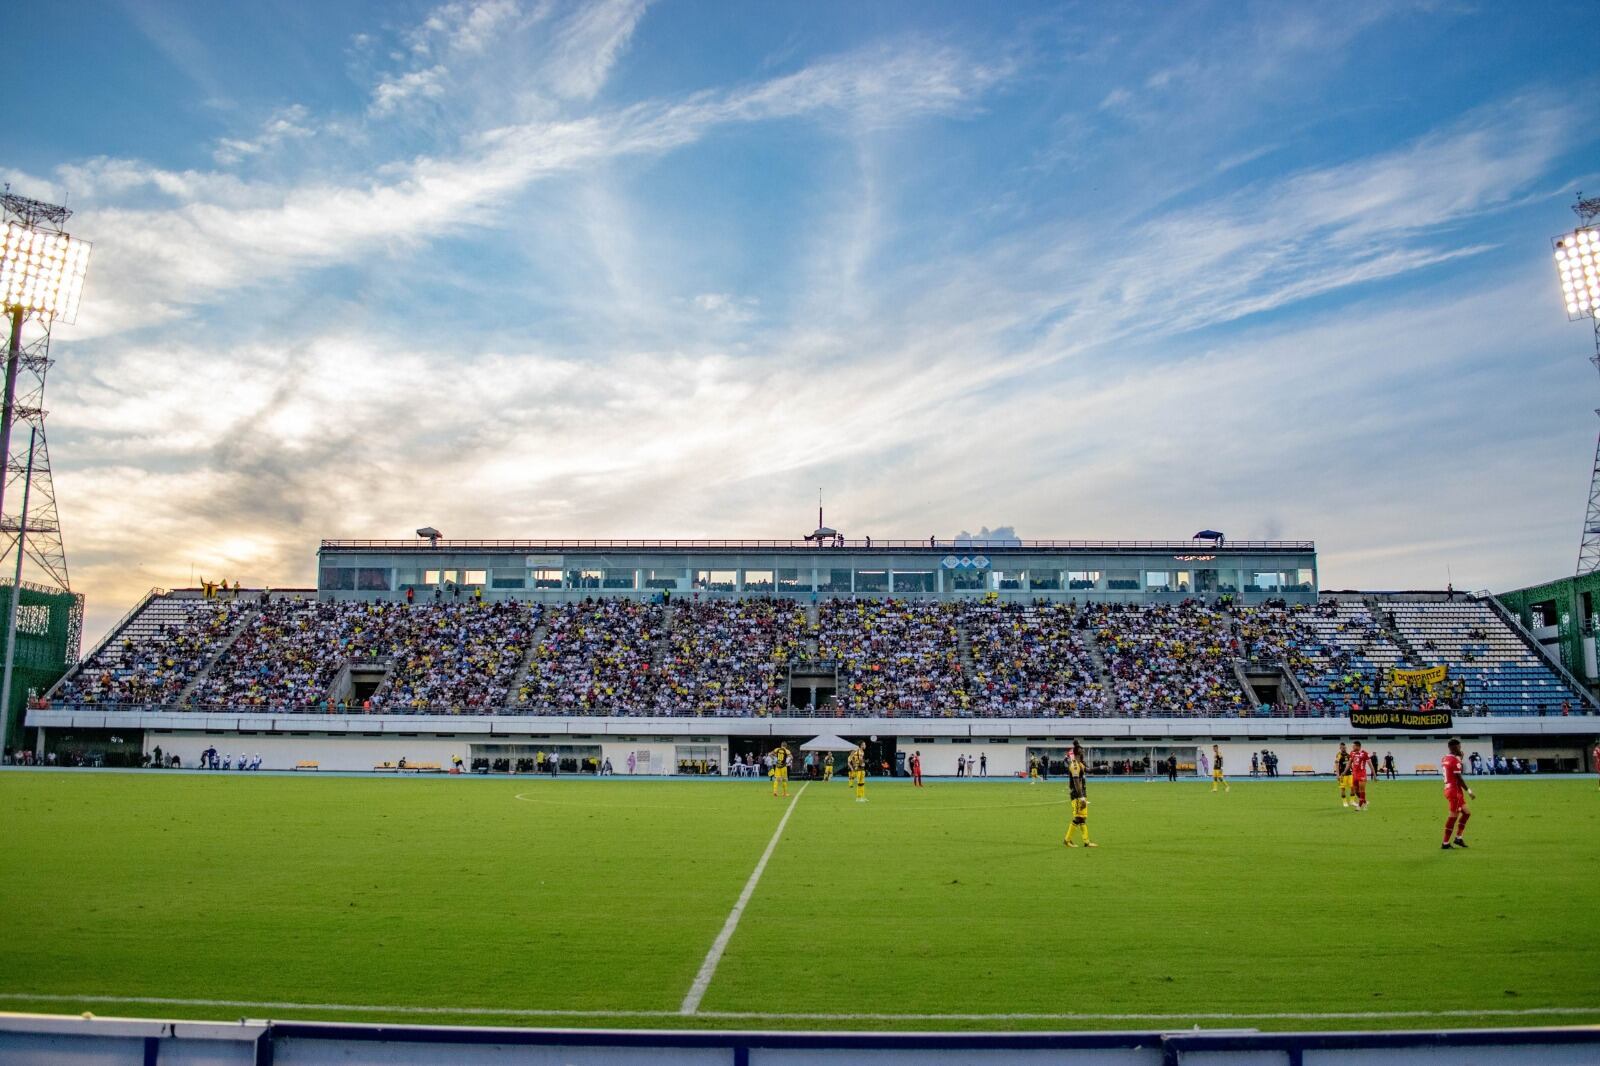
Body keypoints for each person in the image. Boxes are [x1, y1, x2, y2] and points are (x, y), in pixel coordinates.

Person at [1440, 738, 1475, 850]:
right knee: (1453, 817)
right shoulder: (1455, 761)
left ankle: (1458, 838)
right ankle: (1445, 843)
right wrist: (1469, 791)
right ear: (1454, 747)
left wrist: (1459, 758)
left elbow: (1452, 768)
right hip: (1454, 791)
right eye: (1459, 747)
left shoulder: (1445, 758)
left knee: (1466, 813)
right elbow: (1459, 778)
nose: (1460, 748)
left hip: (1450, 789)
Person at [1063, 742, 1096, 848]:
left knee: (1082, 818)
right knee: (1077, 818)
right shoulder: (1075, 765)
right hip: (1077, 795)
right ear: (1078, 753)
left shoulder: (1080, 763)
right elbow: (1076, 782)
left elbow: (1089, 770)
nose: (1084, 753)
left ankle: (1086, 842)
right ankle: (1067, 840)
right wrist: (1081, 797)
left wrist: (1100, 767)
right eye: (1082, 751)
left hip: (1082, 794)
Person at [1349, 741, 1371, 811]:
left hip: (1362, 774)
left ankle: (1359, 806)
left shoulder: (1364, 753)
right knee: (1356, 791)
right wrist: (1344, 772)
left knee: (1362, 790)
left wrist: (1375, 775)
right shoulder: (1352, 753)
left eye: (1354, 746)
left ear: (1358, 746)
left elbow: (1370, 764)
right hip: (1355, 774)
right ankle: (1365, 802)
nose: (1352, 747)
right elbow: (1349, 763)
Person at [1336, 742, 1352, 807]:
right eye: (1342, 747)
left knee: (1353, 787)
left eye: (1345, 747)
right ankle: (1344, 802)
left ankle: (1352, 801)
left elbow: (1350, 764)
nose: (1344, 748)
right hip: (1342, 775)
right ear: (1340, 748)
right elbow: (1337, 765)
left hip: (1350, 774)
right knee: (1343, 789)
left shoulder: (1348, 755)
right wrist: (1337, 775)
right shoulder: (1338, 755)